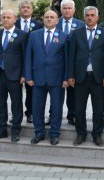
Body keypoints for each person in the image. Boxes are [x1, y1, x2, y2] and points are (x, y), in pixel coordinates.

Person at [68, 6, 104, 147]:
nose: (89, 17)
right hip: (80, 77)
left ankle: (97, 134)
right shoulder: (76, 33)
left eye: (92, 15)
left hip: (98, 77)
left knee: (98, 108)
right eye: (87, 15)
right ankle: (81, 134)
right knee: (79, 108)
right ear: (84, 16)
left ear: (97, 17)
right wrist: (70, 75)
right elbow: (71, 56)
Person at [25, 10, 68, 146]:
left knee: (56, 107)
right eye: (47, 17)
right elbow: (28, 57)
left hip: (57, 79)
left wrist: (66, 78)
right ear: (43, 19)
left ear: (57, 20)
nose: (49, 19)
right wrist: (28, 76)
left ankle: (54, 134)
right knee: (37, 107)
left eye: (52, 17)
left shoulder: (64, 36)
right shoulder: (34, 35)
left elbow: (67, 59)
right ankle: (39, 133)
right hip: (37, 78)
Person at [0, 10, 28, 142]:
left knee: (16, 103)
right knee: (0, 103)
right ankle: (1, 129)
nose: (5, 19)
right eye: (3, 17)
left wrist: (24, 74)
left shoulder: (22, 35)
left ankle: (16, 130)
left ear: (15, 19)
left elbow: (25, 57)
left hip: (15, 75)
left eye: (8, 17)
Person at [55, 0, 85, 126]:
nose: (67, 10)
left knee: (73, 92)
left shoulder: (81, 24)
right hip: (57, 63)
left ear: (74, 10)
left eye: (69, 8)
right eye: (65, 8)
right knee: (56, 91)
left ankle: (71, 115)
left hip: (74, 63)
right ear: (61, 10)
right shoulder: (54, 22)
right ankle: (53, 115)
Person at [14, 0, 43, 124]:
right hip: (15, 63)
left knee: (31, 90)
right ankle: (16, 114)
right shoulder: (13, 23)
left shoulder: (38, 25)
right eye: (23, 7)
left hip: (32, 62)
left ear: (32, 10)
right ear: (19, 10)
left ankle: (30, 113)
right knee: (15, 91)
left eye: (28, 7)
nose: (25, 9)